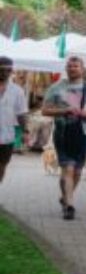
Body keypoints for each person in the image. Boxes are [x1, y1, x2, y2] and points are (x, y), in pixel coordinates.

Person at [41, 56, 86, 220]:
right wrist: (64, 111)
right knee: (67, 168)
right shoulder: (56, 87)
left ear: (83, 69)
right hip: (63, 133)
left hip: (85, 133)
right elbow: (45, 110)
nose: (72, 68)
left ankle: (65, 197)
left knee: (77, 171)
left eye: (76, 66)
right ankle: (70, 205)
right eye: (69, 66)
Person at [0, 56, 30, 184]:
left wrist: (25, 131)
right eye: (1, 69)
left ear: (12, 70)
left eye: (8, 69)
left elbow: (21, 113)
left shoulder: (17, 91)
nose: (4, 72)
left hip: (7, 135)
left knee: (2, 166)